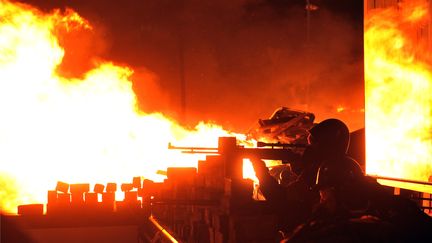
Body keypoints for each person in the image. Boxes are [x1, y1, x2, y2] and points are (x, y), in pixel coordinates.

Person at [283, 156, 432, 242]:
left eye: (324, 193)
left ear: (342, 191)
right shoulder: (396, 207)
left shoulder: (338, 229)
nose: (322, 200)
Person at [250, 118, 352, 234]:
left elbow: (279, 197)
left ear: (326, 147)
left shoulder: (322, 170)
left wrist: (260, 170)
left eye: (313, 145)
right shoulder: (345, 165)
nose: (308, 149)